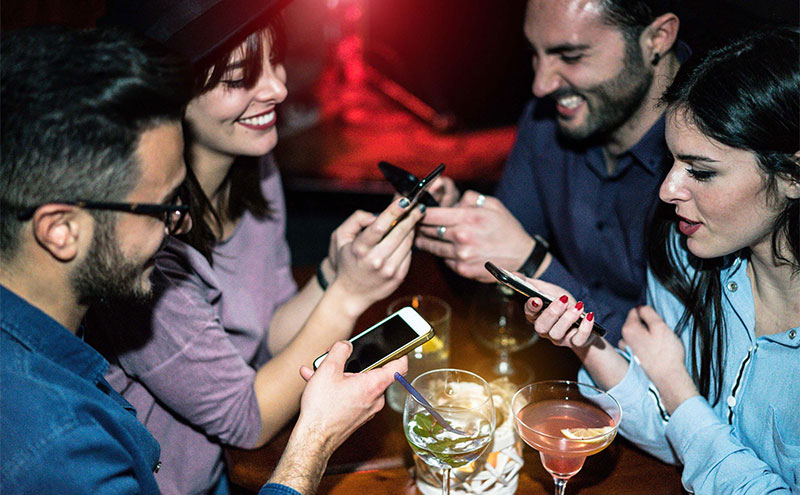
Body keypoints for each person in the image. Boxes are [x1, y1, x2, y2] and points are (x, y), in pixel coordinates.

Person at [0, 26, 407, 495]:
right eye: (162, 208)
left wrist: (335, 276)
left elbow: (265, 331)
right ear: (60, 231)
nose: (182, 224)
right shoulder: (59, 446)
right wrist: (315, 440)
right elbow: (245, 417)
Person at [524, 27, 799, 494]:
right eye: (671, 161)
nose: (668, 189)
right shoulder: (685, 256)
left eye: (701, 172)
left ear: (792, 175)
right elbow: (676, 440)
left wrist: (676, 386)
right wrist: (585, 342)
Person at [415, 0, 688, 343]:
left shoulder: (718, 146)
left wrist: (535, 265)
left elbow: (686, 357)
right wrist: (461, 226)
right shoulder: (546, 120)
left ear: (657, 38)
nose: (541, 85)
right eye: (535, 53)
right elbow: (495, 281)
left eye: (570, 57)